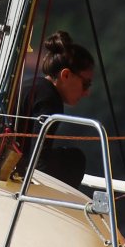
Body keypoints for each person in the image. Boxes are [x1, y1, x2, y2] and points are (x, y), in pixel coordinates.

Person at [13, 30, 93, 188]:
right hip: (18, 173)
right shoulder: (50, 100)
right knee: (76, 159)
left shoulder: (33, 85)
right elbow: (39, 161)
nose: (87, 92)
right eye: (86, 84)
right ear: (66, 75)